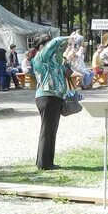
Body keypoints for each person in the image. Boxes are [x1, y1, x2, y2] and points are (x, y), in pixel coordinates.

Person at [31, 35, 69, 171]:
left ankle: (45, 161)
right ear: (41, 46)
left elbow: (65, 74)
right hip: (46, 97)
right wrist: (67, 37)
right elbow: (53, 44)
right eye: (48, 45)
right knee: (47, 131)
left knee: (50, 131)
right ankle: (44, 163)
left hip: (54, 97)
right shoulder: (40, 57)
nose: (54, 49)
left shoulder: (53, 61)